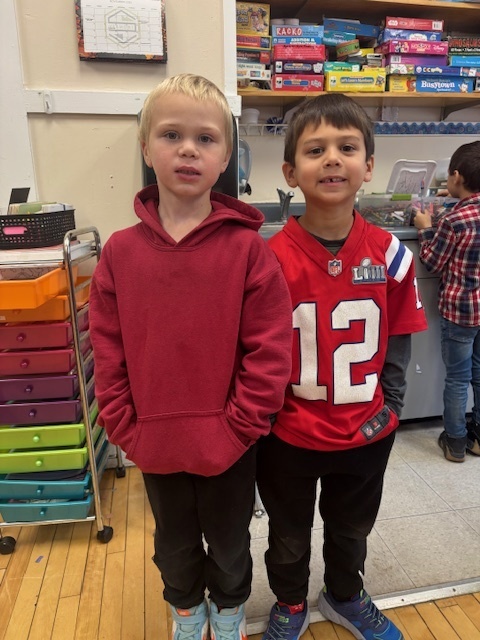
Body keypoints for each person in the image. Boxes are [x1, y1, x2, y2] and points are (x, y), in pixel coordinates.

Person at [89, 73, 293, 640]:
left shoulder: (248, 251)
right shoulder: (120, 254)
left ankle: (228, 613)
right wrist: (124, 425)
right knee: (173, 545)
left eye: (205, 139)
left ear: (226, 154)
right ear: (146, 147)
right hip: (152, 439)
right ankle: (186, 613)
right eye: (171, 134)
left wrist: (241, 426)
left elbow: (270, 349)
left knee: (230, 544)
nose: (187, 149)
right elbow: (106, 347)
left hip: (231, 441)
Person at [256, 93, 427, 640]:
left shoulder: (390, 253)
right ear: (290, 171)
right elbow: (254, 349)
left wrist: (392, 411)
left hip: (365, 430)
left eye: (346, 147)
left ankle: (345, 595)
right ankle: (288, 602)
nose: (332, 159)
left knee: (351, 529)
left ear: (368, 166)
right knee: (287, 533)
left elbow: (399, 339)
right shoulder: (268, 259)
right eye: (315, 149)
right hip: (288, 434)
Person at [414, 141, 480, 463]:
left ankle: (454, 440)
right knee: (479, 373)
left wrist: (425, 229)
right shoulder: (462, 211)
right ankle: (477, 437)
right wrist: (452, 200)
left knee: (457, 376)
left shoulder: (454, 220)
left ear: (455, 176)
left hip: (460, 314)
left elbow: (432, 262)